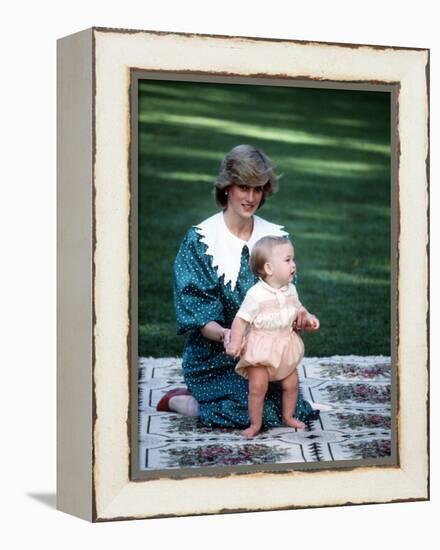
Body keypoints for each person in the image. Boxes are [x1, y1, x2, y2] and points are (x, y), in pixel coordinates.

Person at [156, 144, 320, 429]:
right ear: (227, 188)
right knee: (254, 414)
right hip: (215, 357)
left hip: (265, 356)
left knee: (294, 410)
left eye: (258, 189)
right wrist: (227, 335)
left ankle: (216, 402)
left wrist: (298, 318)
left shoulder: (275, 238)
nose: (251, 197)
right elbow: (199, 315)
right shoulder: (201, 241)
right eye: (243, 187)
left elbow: (287, 297)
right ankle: (184, 401)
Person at [226, 236, 319, 437]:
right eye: (287, 260)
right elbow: (240, 320)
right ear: (269, 269)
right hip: (261, 348)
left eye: (293, 259)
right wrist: (234, 343)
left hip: (284, 345)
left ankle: (288, 416)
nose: (293, 265)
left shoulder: (290, 290)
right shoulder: (256, 295)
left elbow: (298, 308)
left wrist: (307, 316)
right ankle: (255, 424)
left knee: (291, 383)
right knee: (258, 387)